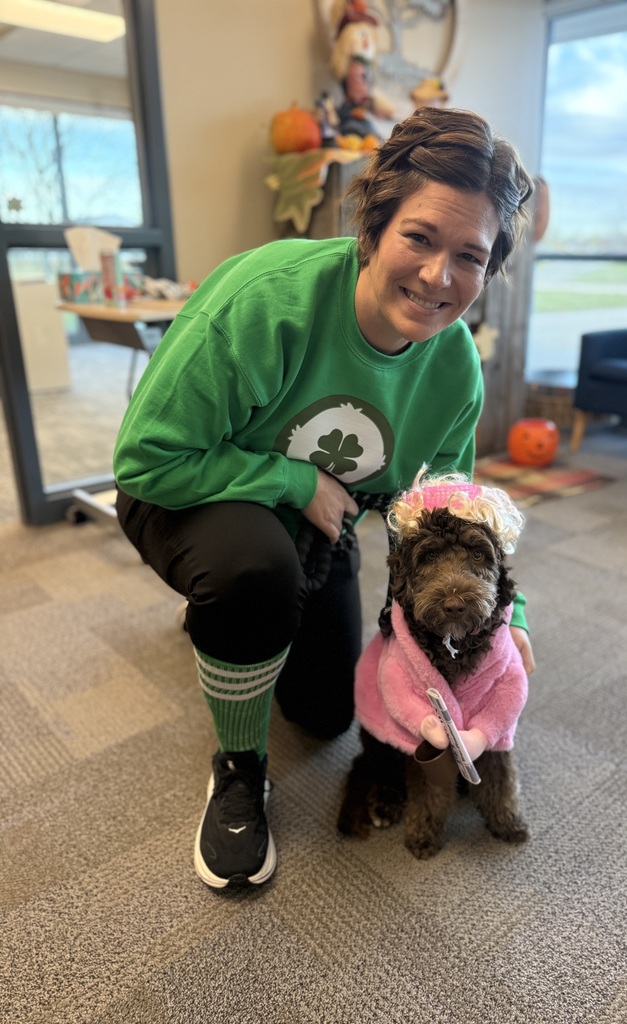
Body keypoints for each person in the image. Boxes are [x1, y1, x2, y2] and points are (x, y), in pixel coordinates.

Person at [112, 106, 536, 890]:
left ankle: (223, 616)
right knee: (251, 574)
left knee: (326, 712)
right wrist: (295, 480)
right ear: (374, 228)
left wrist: (509, 619)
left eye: (470, 256)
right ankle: (238, 769)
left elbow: (451, 518)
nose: (441, 276)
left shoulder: (454, 373)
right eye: (419, 237)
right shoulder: (265, 300)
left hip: (321, 527)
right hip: (181, 496)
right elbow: (143, 462)